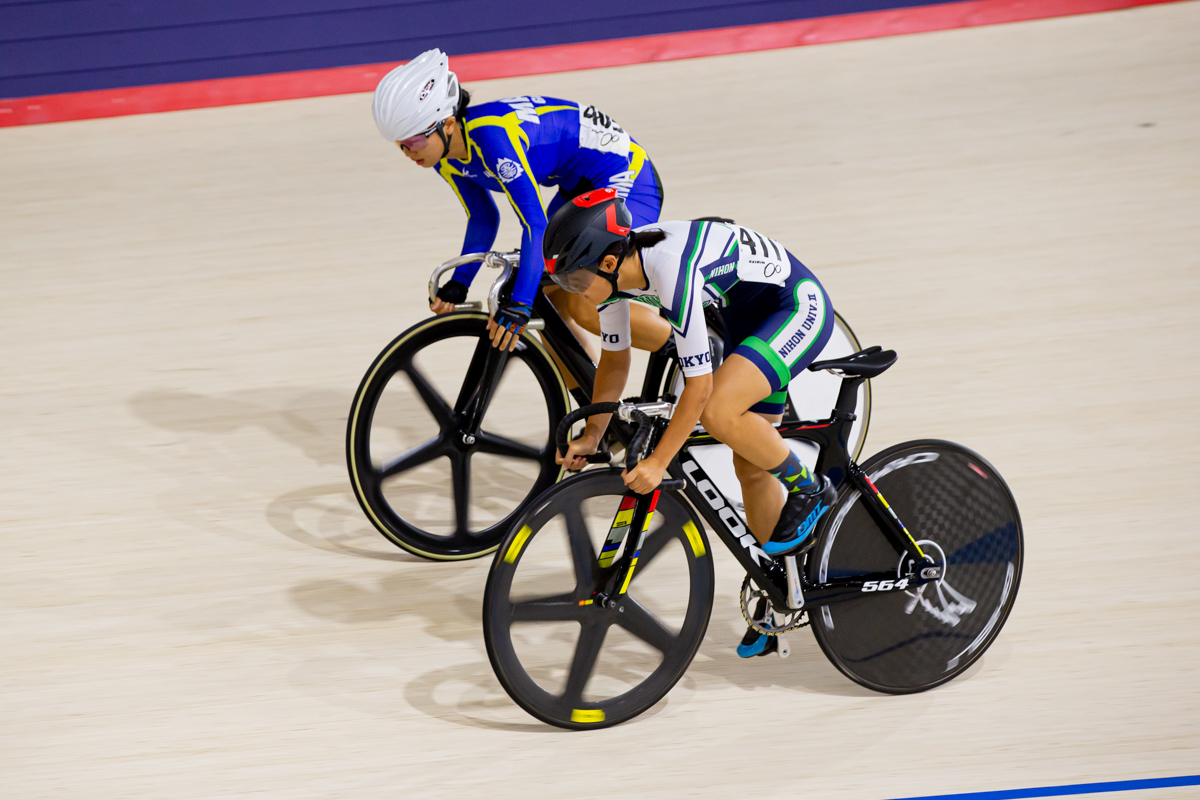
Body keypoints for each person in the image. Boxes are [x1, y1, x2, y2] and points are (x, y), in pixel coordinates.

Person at [545, 188, 838, 659]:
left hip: (794, 307)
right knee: (751, 468)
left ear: (604, 262)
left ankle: (812, 488)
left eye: (575, 281)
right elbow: (614, 363)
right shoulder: (615, 278)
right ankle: (782, 592)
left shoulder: (667, 268)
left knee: (719, 411)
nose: (573, 293)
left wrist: (660, 462)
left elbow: (698, 389)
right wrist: (594, 434)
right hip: (749, 318)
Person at [371, 49, 672, 360]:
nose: (409, 153)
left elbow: (534, 223)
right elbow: (483, 217)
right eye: (401, 145)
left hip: (627, 179)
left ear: (447, 124)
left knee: (585, 296)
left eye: (415, 142)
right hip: (580, 186)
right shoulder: (444, 157)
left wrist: (519, 306)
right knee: (550, 299)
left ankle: (687, 352)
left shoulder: (492, 140)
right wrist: (460, 283)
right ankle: (594, 401)